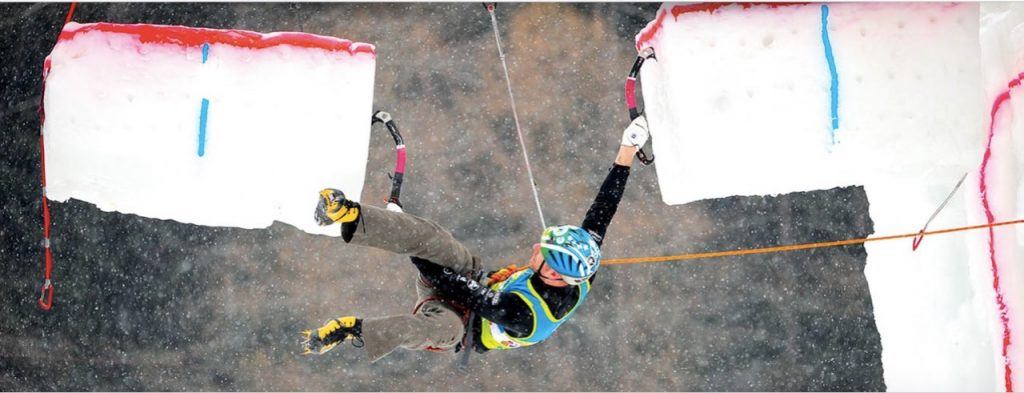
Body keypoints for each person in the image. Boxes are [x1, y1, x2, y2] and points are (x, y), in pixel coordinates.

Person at [301, 115, 650, 361]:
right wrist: (627, 148)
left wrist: (412, 248)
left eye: (541, 253)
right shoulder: (583, 261)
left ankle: (354, 330)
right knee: (436, 238)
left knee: (439, 331)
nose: (535, 249)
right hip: (475, 281)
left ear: (554, 275)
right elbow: (604, 208)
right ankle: (348, 214)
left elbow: (447, 283)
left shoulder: (523, 314)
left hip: (460, 318)